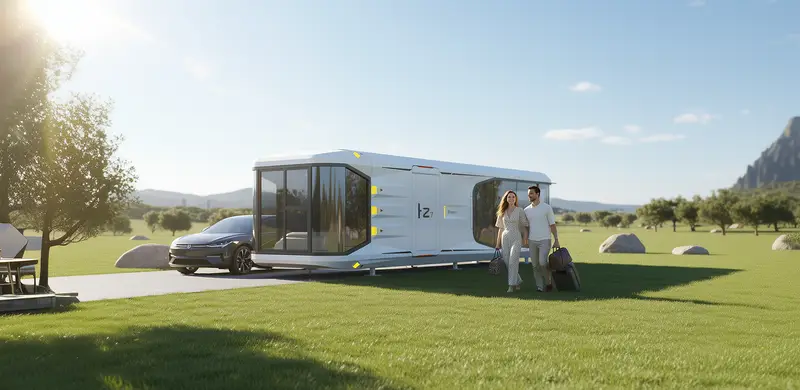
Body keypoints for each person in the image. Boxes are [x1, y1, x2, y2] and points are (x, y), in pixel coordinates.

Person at [523, 185, 560, 292]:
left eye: (531, 193)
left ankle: (548, 282)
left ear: (537, 194)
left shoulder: (547, 208)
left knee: (542, 262)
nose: (529, 195)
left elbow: (552, 225)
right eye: (528, 194)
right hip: (532, 241)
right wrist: (525, 238)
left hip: (545, 240)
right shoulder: (526, 210)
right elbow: (526, 227)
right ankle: (539, 286)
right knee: (535, 265)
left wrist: (556, 239)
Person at [494, 190, 529, 293]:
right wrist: (497, 244)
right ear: (506, 199)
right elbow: (500, 228)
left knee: (513, 260)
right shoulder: (502, 211)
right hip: (505, 237)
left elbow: (524, 226)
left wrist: (525, 238)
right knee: (507, 261)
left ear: (515, 199)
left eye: (513, 197)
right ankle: (517, 280)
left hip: (516, 237)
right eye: (509, 197)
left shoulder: (519, 210)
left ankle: (511, 286)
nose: (511, 199)